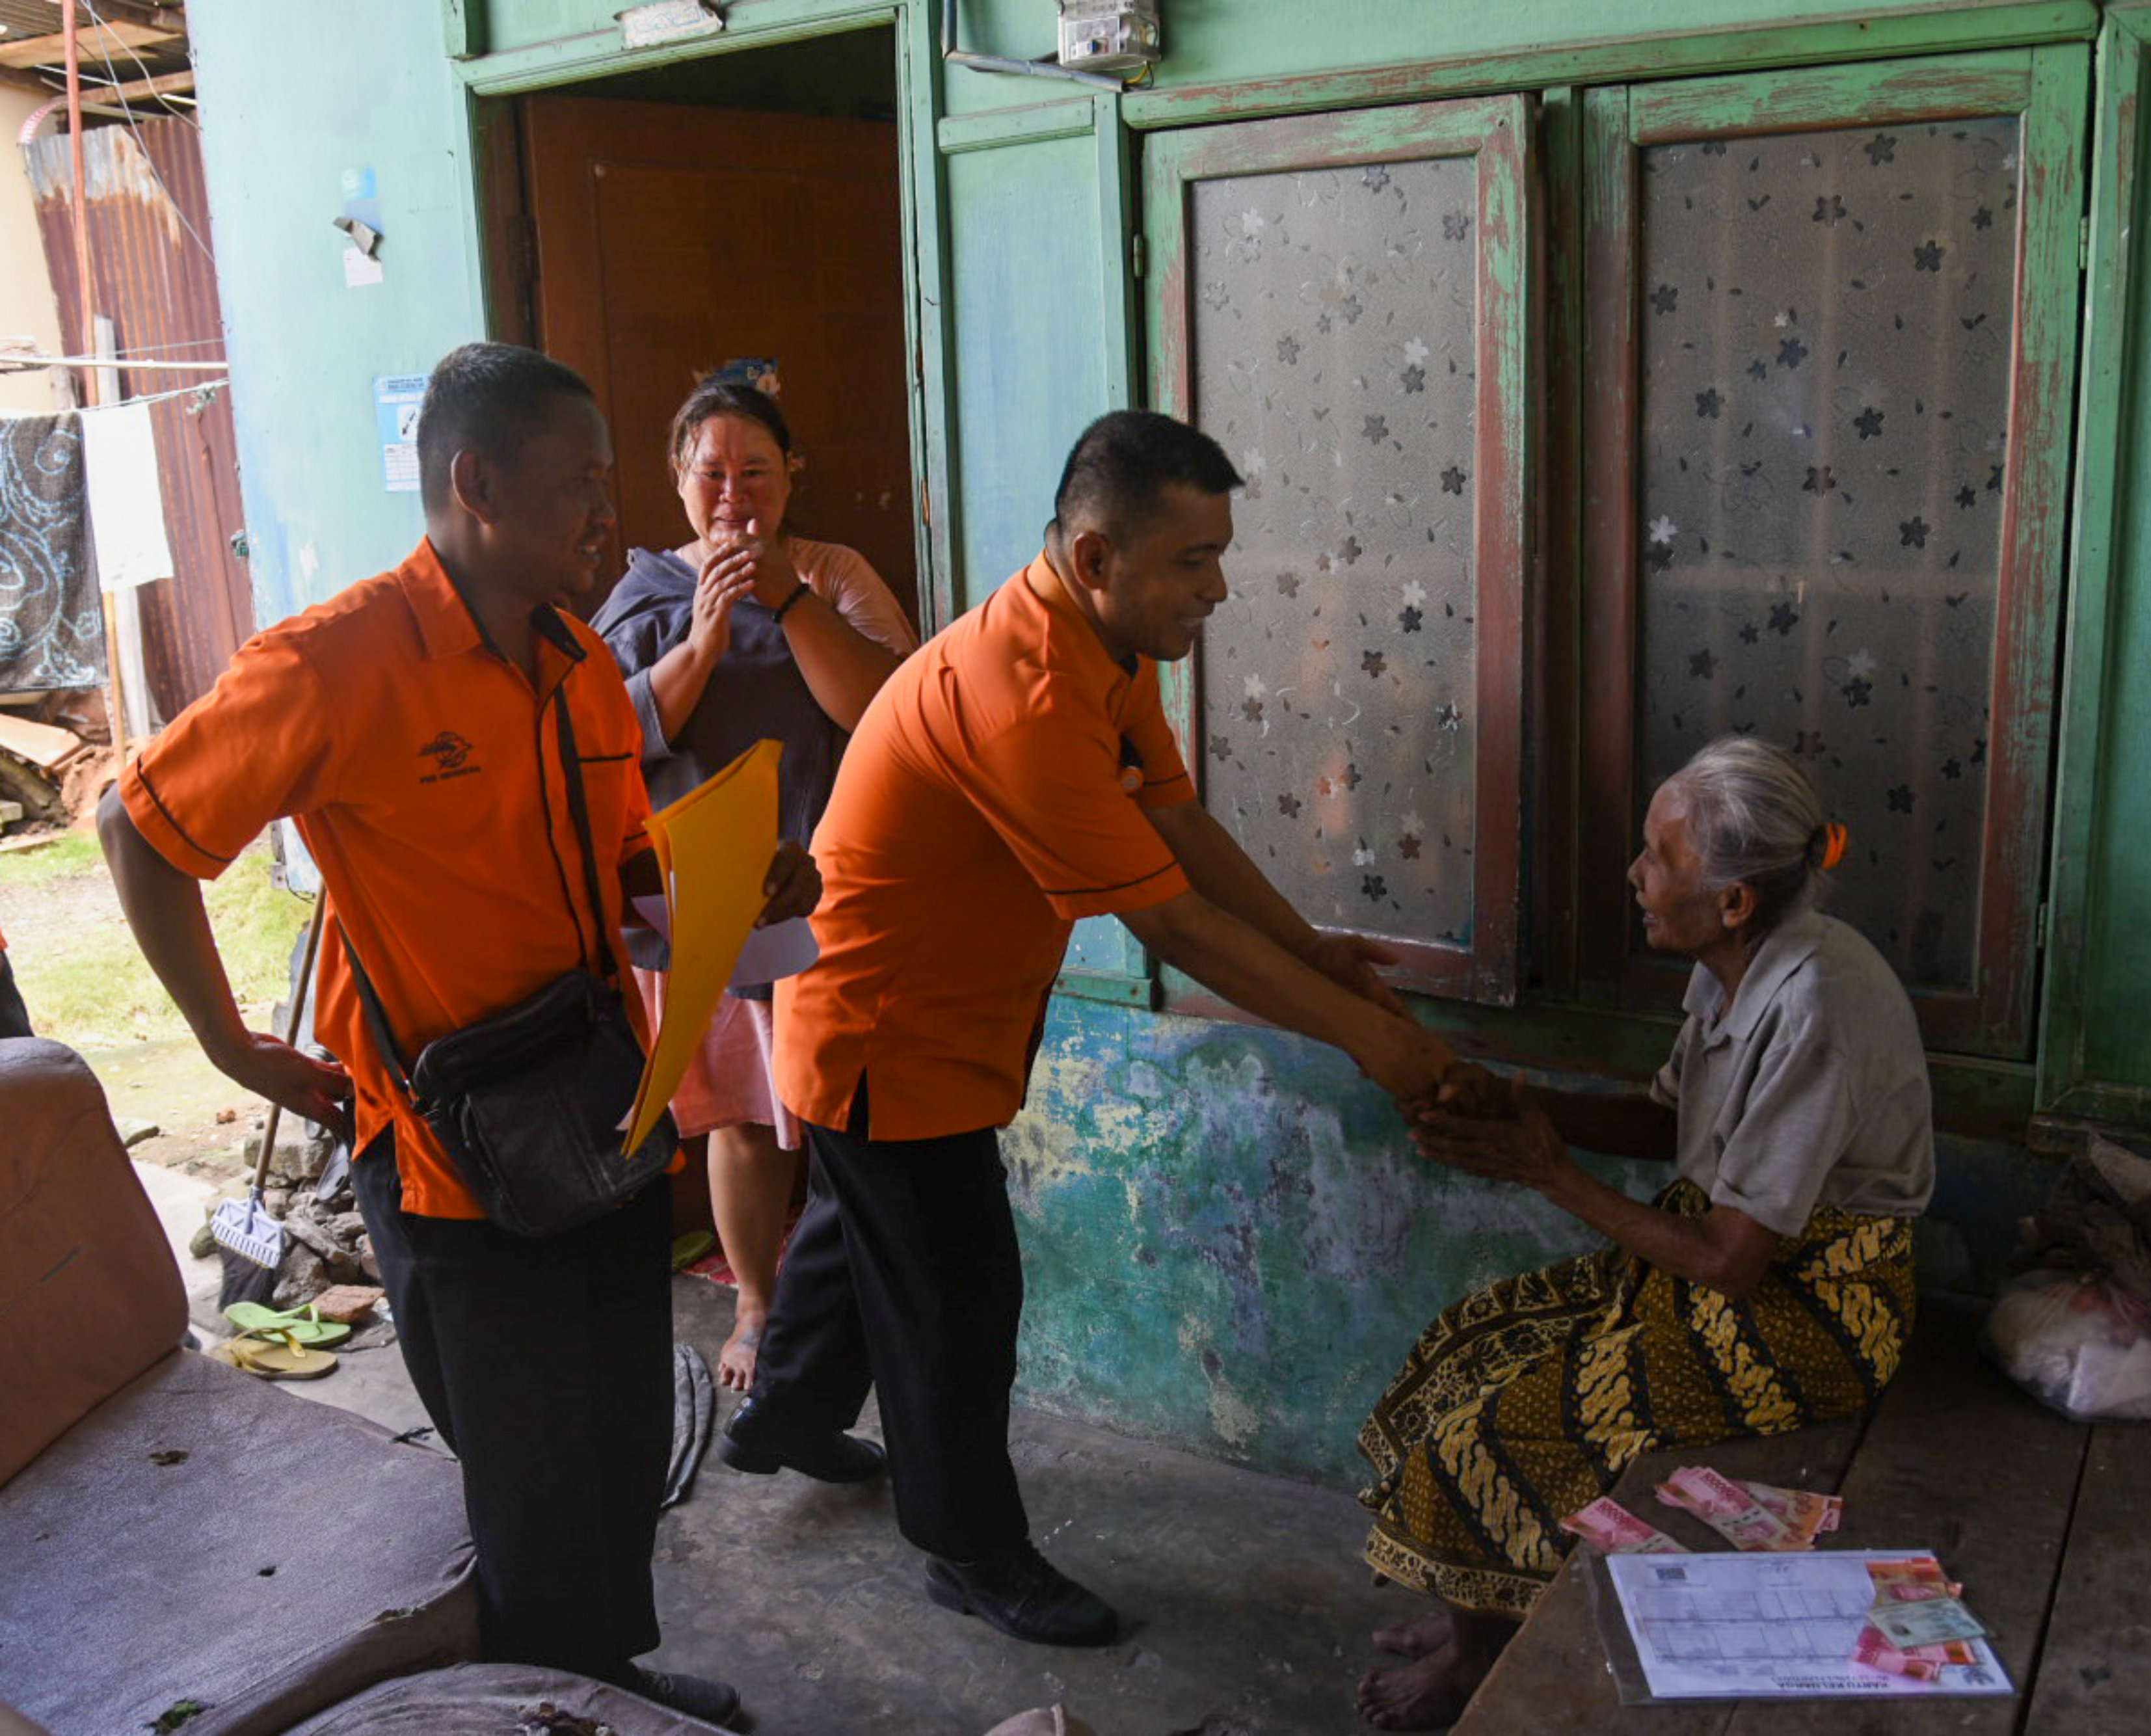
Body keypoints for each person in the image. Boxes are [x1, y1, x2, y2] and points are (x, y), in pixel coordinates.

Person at [98, 342, 822, 1727]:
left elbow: (620, 873)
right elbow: (137, 823)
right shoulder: (337, 662)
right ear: (474, 483)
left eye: (610, 485)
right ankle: (543, 1702)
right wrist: (229, 1046)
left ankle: (601, 1681)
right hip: (456, 1157)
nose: (607, 517)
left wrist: (737, 878)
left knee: (617, 1441)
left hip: (601, 1109)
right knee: (531, 1473)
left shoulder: (575, 667)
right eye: (580, 487)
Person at [734, 409, 1458, 1648]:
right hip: (883, 1029)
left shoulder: (1110, 658)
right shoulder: (1020, 693)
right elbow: (1173, 926)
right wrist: (1375, 1043)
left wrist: (1310, 947)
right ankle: (968, 1548)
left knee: (872, 1228)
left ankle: (790, 1412)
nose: (1217, 589)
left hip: (943, 1014)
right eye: (1193, 562)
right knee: (958, 1297)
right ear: (1094, 558)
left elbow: (1178, 827)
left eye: (1220, 554)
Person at [1354, 736, 1934, 1729]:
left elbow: (1732, 1262)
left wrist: (1546, 1168)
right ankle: (1476, 1615)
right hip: (1712, 1258)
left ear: (1735, 899)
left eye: (1659, 858)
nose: (1636, 875)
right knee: (1466, 1344)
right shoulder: (1731, 964)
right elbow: (1672, 1117)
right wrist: (1522, 1101)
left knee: (1492, 1428)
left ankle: (1474, 1659)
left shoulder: (1818, 1004)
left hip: (1815, 1312)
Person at [593, 379, 918, 1398]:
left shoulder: (836, 572)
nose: (734, 495)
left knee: (839, 1109)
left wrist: (783, 595)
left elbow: (885, 710)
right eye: (712, 473)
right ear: (678, 481)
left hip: (823, 890)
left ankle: (848, 1299)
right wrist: (702, 636)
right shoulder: (645, 592)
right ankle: (758, 1301)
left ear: (791, 478)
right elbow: (622, 735)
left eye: (757, 473)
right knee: (740, 1113)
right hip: (704, 893)